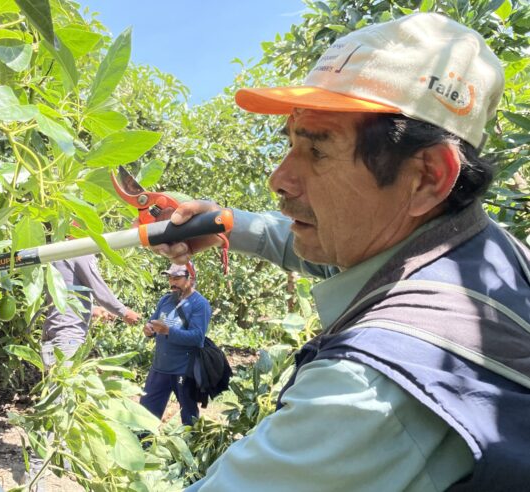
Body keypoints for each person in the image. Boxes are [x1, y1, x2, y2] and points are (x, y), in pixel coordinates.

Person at [152, 13, 530, 492]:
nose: (279, 179)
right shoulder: (484, 254)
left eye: (318, 151)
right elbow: (317, 248)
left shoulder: (367, 391)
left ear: (428, 176)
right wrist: (227, 224)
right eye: (290, 143)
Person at [140, 263, 212, 426]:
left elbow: (197, 337)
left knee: (188, 416)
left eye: (177, 278)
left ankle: (191, 447)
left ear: (191, 279)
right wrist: (149, 329)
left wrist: (168, 331)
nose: (172, 282)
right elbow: (153, 321)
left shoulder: (200, 304)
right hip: (160, 368)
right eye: (170, 278)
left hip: (184, 371)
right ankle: (143, 446)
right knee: (145, 414)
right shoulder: (165, 300)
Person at [41, 255, 139, 368]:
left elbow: (63, 298)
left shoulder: (58, 254)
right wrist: (125, 312)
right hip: (68, 336)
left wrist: (91, 310)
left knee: (53, 383)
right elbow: (100, 291)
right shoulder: (80, 252)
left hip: (50, 335)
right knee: (66, 383)